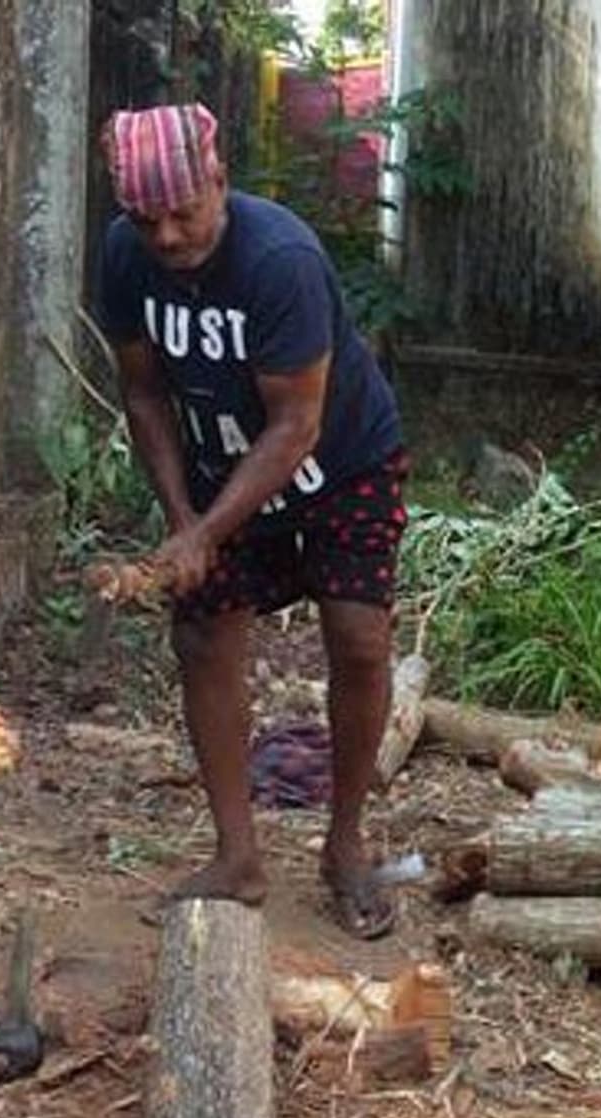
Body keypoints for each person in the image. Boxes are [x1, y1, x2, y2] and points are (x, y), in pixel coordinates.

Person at [97, 102, 406, 939]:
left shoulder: (281, 262)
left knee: (359, 640)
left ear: (219, 182)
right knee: (202, 637)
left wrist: (203, 534)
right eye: (144, 217)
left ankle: (344, 846)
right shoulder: (125, 260)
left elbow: (295, 425)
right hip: (217, 467)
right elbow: (144, 391)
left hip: (342, 463)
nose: (165, 235)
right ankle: (237, 859)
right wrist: (180, 516)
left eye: (183, 211)